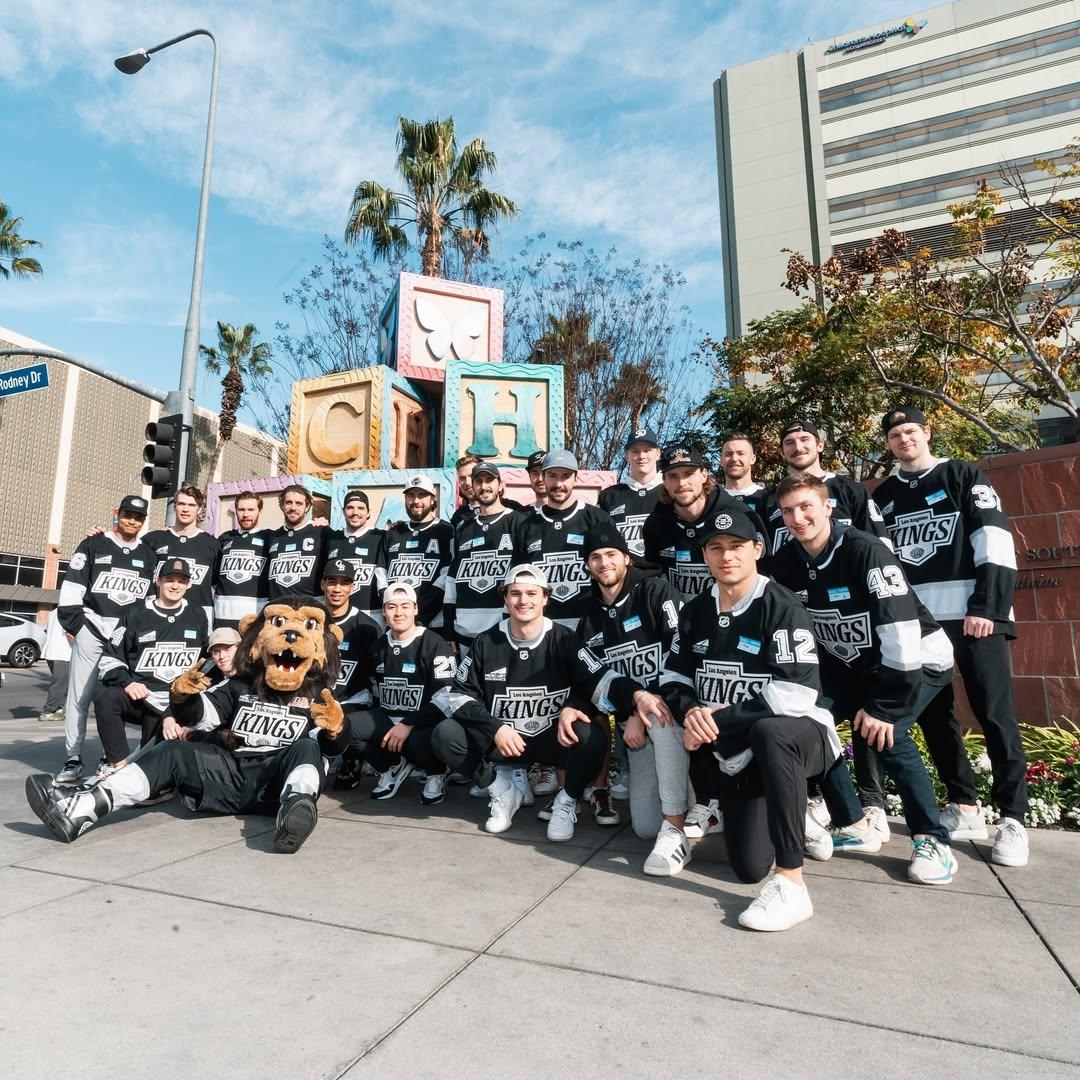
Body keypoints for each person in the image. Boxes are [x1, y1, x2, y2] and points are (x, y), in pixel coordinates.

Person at [660, 506, 862, 932]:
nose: (726, 556)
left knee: (772, 731)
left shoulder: (781, 605)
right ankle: (789, 811)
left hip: (796, 737)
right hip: (733, 746)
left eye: (736, 546)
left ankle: (791, 883)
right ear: (705, 554)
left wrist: (718, 720)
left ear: (757, 549)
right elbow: (673, 677)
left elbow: (796, 693)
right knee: (748, 866)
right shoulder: (695, 610)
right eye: (716, 548)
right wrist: (690, 712)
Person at [25, 599, 350, 855]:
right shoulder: (240, 686)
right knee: (173, 751)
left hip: (274, 787)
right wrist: (182, 697)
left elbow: (329, 750)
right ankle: (82, 809)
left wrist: (337, 729)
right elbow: (202, 715)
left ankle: (294, 811)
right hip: (229, 777)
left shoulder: (316, 696)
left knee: (307, 746)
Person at [770, 476, 958, 884]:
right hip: (856, 665)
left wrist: (886, 707)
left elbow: (901, 630)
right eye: (788, 511)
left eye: (806, 507)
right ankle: (852, 823)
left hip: (917, 658)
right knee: (809, 722)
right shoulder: (786, 562)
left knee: (887, 734)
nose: (798, 518)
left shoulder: (865, 550)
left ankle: (932, 839)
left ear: (827, 508)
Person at [874, 405, 1029, 867]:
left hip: (973, 619)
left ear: (927, 433)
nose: (904, 439)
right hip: (921, 628)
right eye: (895, 434)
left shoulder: (964, 475)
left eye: (911, 431)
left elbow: (993, 540)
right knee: (936, 721)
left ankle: (1014, 818)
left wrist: (987, 607)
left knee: (994, 714)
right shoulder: (883, 497)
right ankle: (963, 805)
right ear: (888, 444)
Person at [430, 564, 670, 842]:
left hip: (550, 739)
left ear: (545, 598)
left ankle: (567, 800)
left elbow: (600, 680)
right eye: (515, 593)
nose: (523, 600)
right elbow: (459, 696)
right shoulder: (487, 641)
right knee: (444, 734)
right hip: (504, 740)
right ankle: (502, 791)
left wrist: (636, 695)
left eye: (532, 593)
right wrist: (495, 727)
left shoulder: (564, 638)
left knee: (593, 736)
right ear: (505, 598)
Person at [579, 525, 690, 873]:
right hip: (637, 720)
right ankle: (691, 801)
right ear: (587, 566)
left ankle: (676, 829)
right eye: (595, 557)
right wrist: (631, 708)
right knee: (643, 828)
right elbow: (597, 678)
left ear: (627, 559)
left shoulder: (656, 591)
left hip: (676, 705)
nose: (604, 562)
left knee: (656, 713)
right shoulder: (589, 615)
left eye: (611, 554)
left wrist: (644, 706)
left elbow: (681, 649)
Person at [55, 494, 156, 785]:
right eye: (127, 514)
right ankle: (73, 758)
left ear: (143, 520)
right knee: (79, 697)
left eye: (138, 517)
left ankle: (109, 757)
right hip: (94, 630)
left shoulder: (149, 555)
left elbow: (149, 600)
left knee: (114, 699)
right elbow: (72, 588)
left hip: (124, 640)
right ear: (118, 514)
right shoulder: (93, 544)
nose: (132, 520)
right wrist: (78, 626)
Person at [344, 582, 458, 806]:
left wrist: (408, 724)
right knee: (343, 727)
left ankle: (436, 773)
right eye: (392, 607)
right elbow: (373, 687)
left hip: (421, 725)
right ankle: (391, 767)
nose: (399, 613)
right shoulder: (377, 647)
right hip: (388, 721)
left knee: (434, 735)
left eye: (405, 606)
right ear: (384, 612)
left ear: (416, 609)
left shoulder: (435, 644)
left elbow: (447, 698)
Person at [94, 558, 209, 777]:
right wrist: (128, 683)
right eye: (169, 580)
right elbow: (110, 657)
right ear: (158, 581)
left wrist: (176, 711)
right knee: (106, 697)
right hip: (144, 697)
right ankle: (118, 767)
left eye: (181, 581)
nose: (175, 585)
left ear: (189, 585)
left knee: (153, 768)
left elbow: (205, 661)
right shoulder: (136, 613)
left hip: (179, 702)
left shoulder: (198, 615)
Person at [643, 445, 764, 600]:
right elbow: (653, 579)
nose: (681, 483)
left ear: (704, 475)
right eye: (673, 476)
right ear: (664, 482)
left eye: (688, 474)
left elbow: (764, 570)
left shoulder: (740, 514)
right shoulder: (656, 523)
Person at [511, 449, 613, 629]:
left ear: (576, 478)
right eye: (552, 475)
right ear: (543, 477)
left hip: (592, 624)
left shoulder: (597, 518)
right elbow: (518, 581)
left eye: (565, 476)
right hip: (544, 628)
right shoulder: (525, 525)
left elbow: (615, 574)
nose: (559, 483)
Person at [765, 421, 890, 555]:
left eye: (804, 439)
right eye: (789, 442)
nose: (798, 447)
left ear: (820, 445)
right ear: (782, 452)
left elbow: (880, 544)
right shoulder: (769, 499)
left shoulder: (850, 491)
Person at [445, 461, 521, 655]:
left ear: (500, 485)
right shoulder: (463, 527)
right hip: (464, 633)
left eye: (489, 480)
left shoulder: (518, 521)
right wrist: (449, 629)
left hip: (503, 633)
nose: (484, 486)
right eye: (478, 481)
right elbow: (452, 582)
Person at [321, 558, 382, 791]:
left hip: (352, 700)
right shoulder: (311, 620)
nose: (337, 589)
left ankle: (351, 758)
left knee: (344, 724)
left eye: (344, 583)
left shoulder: (366, 626)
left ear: (352, 587)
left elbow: (377, 676)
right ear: (322, 584)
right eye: (332, 582)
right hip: (316, 699)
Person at [385, 474, 455, 630]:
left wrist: (419, 615)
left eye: (422, 495)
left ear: (432, 499)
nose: (416, 501)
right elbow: (382, 574)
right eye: (411, 495)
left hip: (432, 623)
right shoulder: (393, 533)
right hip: (396, 621)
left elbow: (447, 577)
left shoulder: (446, 530)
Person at [143, 484, 221, 626]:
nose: (185, 509)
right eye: (181, 504)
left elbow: (217, 585)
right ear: (174, 506)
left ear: (199, 509)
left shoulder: (212, 544)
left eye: (191, 505)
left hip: (198, 616)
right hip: (158, 614)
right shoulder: (153, 540)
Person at [598, 426, 664, 561]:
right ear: (627, 456)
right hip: (625, 578)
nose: (641, 456)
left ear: (658, 453)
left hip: (664, 577)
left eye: (647, 450)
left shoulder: (671, 492)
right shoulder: (609, 496)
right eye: (635, 451)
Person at [325, 489, 388, 625]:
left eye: (360, 508)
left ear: (368, 512)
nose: (355, 513)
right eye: (350, 508)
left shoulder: (381, 537)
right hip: (337, 614)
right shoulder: (331, 538)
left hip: (372, 614)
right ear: (343, 511)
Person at [214, 491, 271, 628]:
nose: (246, 514)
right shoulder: (224, 538)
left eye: (251, 510)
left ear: (259, 511)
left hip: (255, 618)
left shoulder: (270, 537)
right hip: (223, 617)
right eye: (241, 509)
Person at [266, 484, 329, 600]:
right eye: (288, 502)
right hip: (278, 609)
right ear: (282, 505)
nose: (293, 508)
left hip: (309, 609)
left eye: (298, 503)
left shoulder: (322, 533)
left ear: (307, 506)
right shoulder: (271, 537)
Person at [720, 433, 771, 520]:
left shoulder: (769, 498)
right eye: (728, 454)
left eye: (741, 453)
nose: (734, 458)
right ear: (721, 461)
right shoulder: (712, 500)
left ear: (752, 459)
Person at [39, 608, 71, 722]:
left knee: (64, 683)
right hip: (62, 653)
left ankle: (59, 710)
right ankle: (48, 711)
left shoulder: (52, 613)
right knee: (59, 684)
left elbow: (47, 630)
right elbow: (70, 635)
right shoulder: (70, 612)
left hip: (51, 652)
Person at [451, 454, 483, 531]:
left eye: (472, 476)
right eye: (462, 478)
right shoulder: (457, 517)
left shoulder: (509, 507)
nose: (467, 483)